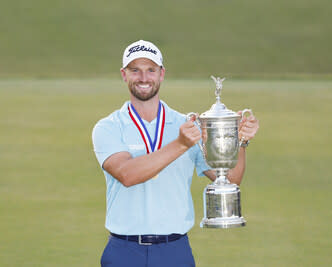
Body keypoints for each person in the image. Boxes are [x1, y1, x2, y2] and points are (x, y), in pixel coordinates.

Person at [92, 40, 259, 267]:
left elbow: (230, 179)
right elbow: (126, 174)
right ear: (124, 75)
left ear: (162, 74)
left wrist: (238, 141)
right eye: (135, 70)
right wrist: (180, 144)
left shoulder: (187, 124)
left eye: (151, 70)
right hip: (124, 251)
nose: (143, 78)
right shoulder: (108, 127)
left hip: (175, 251)